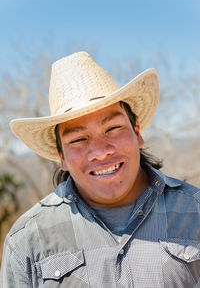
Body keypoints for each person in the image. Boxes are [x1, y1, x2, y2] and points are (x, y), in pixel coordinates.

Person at [1, 52, 200, 288]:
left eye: (113, 128)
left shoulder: (195, 211)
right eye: (78, 139)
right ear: (61, 157)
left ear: (137, 133)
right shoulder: (28, 238)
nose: (100, 151)